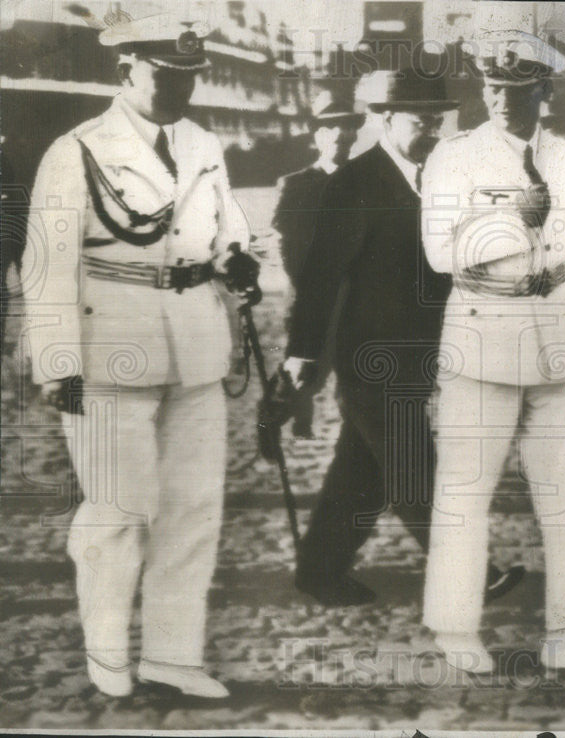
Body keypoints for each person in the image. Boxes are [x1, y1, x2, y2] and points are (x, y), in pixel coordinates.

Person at [20, 15, 261, 698]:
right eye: (166, 73)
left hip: (195, 343)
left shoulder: (203, 143)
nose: (181, 87)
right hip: (110, 345)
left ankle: (173, 654)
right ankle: (106, 648)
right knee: (119, 510)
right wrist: (59, 364)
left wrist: (238, 260)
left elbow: (226, 227)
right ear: (128, 68)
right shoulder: (79, 149)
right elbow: (49, 266)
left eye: (190, 75)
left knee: (194, 508)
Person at [419, 31, 565, 680]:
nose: (503, 98)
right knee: (464, 492)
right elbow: (437, 252)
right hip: (482, 335)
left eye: (517, 88)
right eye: (493, 87)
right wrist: (512, 222)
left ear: (545, 91)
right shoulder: (453, 157)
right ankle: (455, 629)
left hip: (557, 337)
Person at [277, 68, 525, 608]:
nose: (431, 130)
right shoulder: (356, 182)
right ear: (385, 120)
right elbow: (321, 274)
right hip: (368, 354)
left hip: (420, 351)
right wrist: (302, 351)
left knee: (361, 471)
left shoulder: (439, 177)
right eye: (421, 120)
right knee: (412, 465)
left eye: (437, 120)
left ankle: (320, 570)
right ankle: (472, 573)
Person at [272, 87, 365, 438]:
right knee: (304, 376)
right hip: (311, 301)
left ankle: (354, 451)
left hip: (355, 300)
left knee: (356, 383)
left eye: (347, 126)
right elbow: (291, 253)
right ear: (316, 135)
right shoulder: (296, 185)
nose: (341, 134)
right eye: (330, 127)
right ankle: (272, 417)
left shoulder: (365, 182)